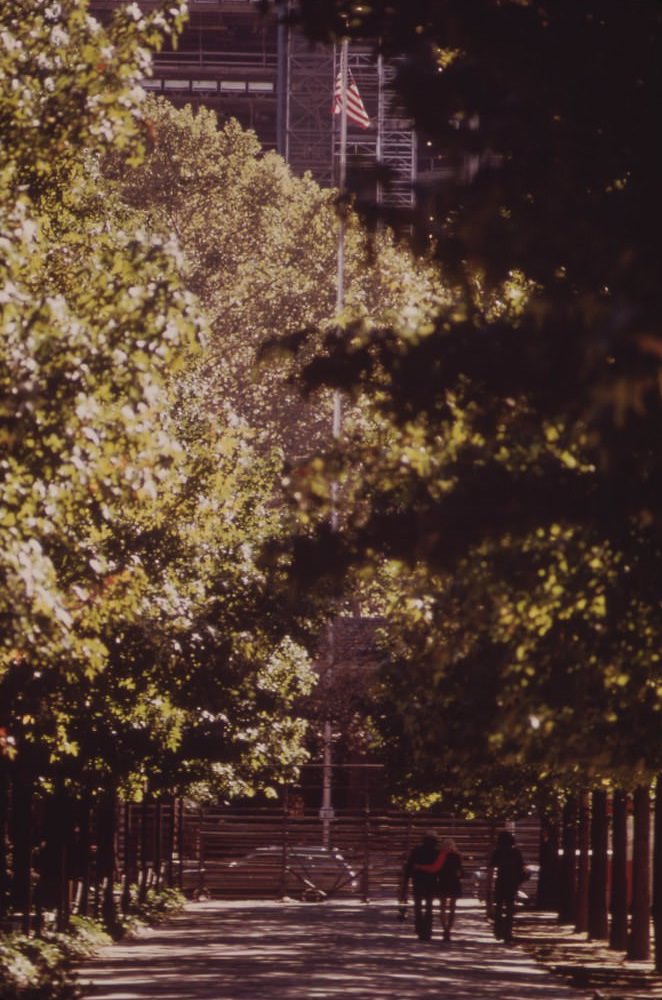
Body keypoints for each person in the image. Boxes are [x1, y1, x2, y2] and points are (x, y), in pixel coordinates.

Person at [415, 836, 463, 941]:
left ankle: (444, 929)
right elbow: (460, 871)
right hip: (454, 882)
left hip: (443, 882)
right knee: (452, 908)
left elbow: (434, 868)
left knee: (443, 907)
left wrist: (420, 867)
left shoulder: (442, 855)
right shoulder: (458, 856)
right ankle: (448, 930)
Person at [400, 831, 441, 941]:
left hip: (418, 880)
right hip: (431, 881)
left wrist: (406, 880)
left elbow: (410, 866)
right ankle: (427, 930)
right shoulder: (437, 852)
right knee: (429, 906)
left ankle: (419, 928)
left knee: (418, 905)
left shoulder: (416, 851)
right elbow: (439, 869)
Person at [489, 830, 528, 945]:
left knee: (499, 907)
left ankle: (498, 930)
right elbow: (522, 867)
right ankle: (508, 932)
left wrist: (489, 884)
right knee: (510, 908)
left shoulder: (497, 852)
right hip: (512, 882)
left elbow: (492, 868)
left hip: (501, 882)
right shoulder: (516, 852)